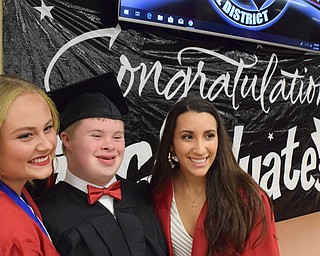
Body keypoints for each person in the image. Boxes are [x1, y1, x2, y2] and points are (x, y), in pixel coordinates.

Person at [36, 72, 168, 256]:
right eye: (96, 135)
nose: (109, 146)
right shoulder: (45, 215)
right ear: (66, 140)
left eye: (117, 137)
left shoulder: (142, 195)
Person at [150, 96, 280, 256]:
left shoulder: (248, 199)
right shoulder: (158, 192)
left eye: (209, 136)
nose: (200, 149)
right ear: (171, 144)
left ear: (219, 140)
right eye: (187, 137)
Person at [0, 74, 60, 255]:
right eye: (26, 135)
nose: (47, 145)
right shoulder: (13, 233)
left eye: (48, 128)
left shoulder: (19, 192)